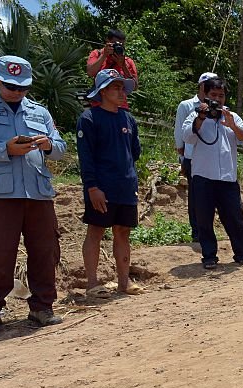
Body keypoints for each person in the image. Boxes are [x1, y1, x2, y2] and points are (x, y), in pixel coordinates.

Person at [0, 56, 66, 333]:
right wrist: (3, 149)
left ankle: (42, 307)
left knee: (45, 250)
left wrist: (48, 144)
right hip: (1, 193)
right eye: (10, 86)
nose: (17, 92)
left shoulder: (39, 111)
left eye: (22, 87)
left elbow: (61, 147)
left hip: (38, 193)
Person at [78, 69, 143, 297]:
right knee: (95, 230)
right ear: (103, 91)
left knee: (123, 231)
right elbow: (86, 157)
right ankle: (93, 284)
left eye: (122, 87)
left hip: (125, 186)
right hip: (101, 188)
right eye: (116, 87)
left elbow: (134, 152)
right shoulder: (89, 119)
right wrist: (92, 187)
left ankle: (124, 282)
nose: (121, 91)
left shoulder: (128, 119)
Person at [182, 77, 243, 270]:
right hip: (203, 177)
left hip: (227, 178)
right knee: (204, 219)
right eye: (213, 95)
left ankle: (241, 254)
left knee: (235, 218)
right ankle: (209, 256)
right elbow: (187, 136)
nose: (217, 99)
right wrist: (201, 117)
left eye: (221, 95)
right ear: (205, 95)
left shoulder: (232, 116)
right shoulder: (195, 116)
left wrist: (232, 125)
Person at [175, 72, 218, 241]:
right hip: (192, 156)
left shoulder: (218, 106)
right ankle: (197, 232)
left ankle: (209, 230)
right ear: (201, 86)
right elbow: (180, 129)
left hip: (212, 157)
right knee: (195, 196)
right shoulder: (186, 105)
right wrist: (182, 154)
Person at [86, 28, 137, 109]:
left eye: (121, 45)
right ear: (107, 41)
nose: (118, 47)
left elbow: (134, 87)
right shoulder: (97, 54)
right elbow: (90, 72)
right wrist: (104, 56)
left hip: (121, 108)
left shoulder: (128, 61)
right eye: (114, 44)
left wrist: (123, 66)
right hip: (99, 106)